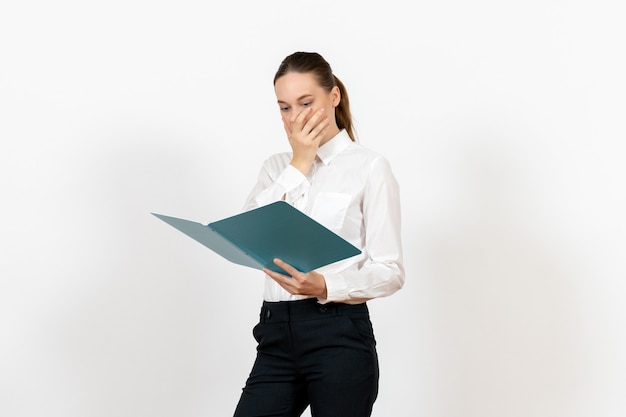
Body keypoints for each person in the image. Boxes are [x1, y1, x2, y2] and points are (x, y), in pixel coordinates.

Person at [234, 51, 405, 417]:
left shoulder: (369, 168)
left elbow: (390, 271)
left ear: (334, 97)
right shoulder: (276, 167)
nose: (295, 117)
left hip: (337, 334)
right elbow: (249, 230)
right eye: (284, 108)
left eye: (306, 103)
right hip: (275, 332)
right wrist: (299, 163)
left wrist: (326, 286)